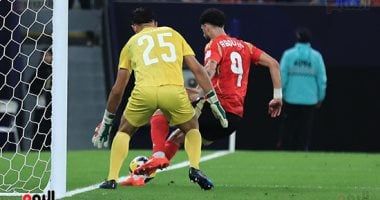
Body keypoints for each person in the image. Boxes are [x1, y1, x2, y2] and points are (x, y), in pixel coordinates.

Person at [131, 8, 283, 185]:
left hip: (215, 109)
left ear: (206, 27)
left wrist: (198, 93)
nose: (202, 32)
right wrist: (277, 96)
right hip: (233, 120)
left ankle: (157, 156)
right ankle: (151, 174)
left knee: (161, 108)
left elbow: (209, 69)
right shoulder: (245, 46)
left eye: (202, 29)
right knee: (178, 137)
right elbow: (274, 63)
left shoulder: (214, 44)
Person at [91, 7, 227, 190]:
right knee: (192, 127)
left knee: (124, 131)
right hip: (173, 91)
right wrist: (214, 100)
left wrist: (107, 120)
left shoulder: (131, 43)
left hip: (144, 92)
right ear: (155, 23)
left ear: (134, 27)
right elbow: (198, 70)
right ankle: (194, 167)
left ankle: (111, 178)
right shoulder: (173, 34)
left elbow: (118, 89)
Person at [277, 27, 327, 151]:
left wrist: (280, 94)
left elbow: (282, 76)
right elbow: (322, 79)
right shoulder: (316, 56)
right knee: (305, 128)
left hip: (291, 98)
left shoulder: (289, 55)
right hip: (310, 99)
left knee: (289, 126)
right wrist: (320, 97)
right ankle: (303, 149)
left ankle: (286, 149)